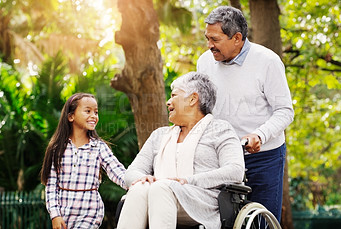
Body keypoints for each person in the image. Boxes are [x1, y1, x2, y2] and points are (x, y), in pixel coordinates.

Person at [196, 6, 294, 223]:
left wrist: (259, 135)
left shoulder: (267, 61)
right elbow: (202, 110)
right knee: (221, 221)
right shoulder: (204, 62)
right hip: (221, 156)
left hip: (264, 157)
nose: (209, 45)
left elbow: (284, 111)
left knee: (261, 222)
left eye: (215, 39)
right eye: (207, 38)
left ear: (237, 38)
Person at [117, 72, 245, 229]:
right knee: (140, 188)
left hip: (202, 202)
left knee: (160, 188)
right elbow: (132, 172)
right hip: (159, 195)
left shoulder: (220, 130)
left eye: (173, 95)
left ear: (192, 99)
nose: (168, 102)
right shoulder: (159, 135)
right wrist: (142, 178)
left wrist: (189, 181)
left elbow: (235, 170)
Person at [40, 93, 127, 229]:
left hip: (90, 212)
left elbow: (117, 171)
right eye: (88, 111)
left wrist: (136, 182)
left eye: (96, 112)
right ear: (71, 116)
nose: (94, 116)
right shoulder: (57, 149)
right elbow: (51, 186)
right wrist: (55, 215)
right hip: (64, 213)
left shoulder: (98, 147)